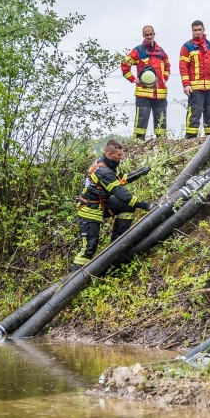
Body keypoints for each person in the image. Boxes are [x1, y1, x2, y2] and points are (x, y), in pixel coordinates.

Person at [70, 140, 152, 271]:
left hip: (102, 204)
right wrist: (147, 205)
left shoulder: (108, 164)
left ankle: (117, 243)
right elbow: (124, 196)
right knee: (90, 247)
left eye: (122, 154)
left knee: (127, 207)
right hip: (89, 209)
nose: (122, 157)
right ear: (109, 153)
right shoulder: (103, 171)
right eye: (119, 155)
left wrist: (140, 172)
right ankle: (74, 282)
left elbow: (121, 178)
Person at [120, 26, 170, 140]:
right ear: (143, 36)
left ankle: (161, 142)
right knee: (141, 121)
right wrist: (133, 79)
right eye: (146, 35)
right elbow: (124, 64)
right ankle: (138, 142)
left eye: (151, 34)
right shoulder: (138, 50)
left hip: (160, 93)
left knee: (161, 121)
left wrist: (164, 78)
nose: (149, 37)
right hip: (143, 93)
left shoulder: (161, 51)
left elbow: (167, 66)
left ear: (154, 34)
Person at [179, 20, 210, 138]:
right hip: (195, 88)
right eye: (195, 30)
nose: (198, 32)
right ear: (192, 31)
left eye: (200, 30)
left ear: (204, 30)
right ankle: (190, 138)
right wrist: (186, 84)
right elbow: (183, 67)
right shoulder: (187, 47)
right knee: (194, 113)